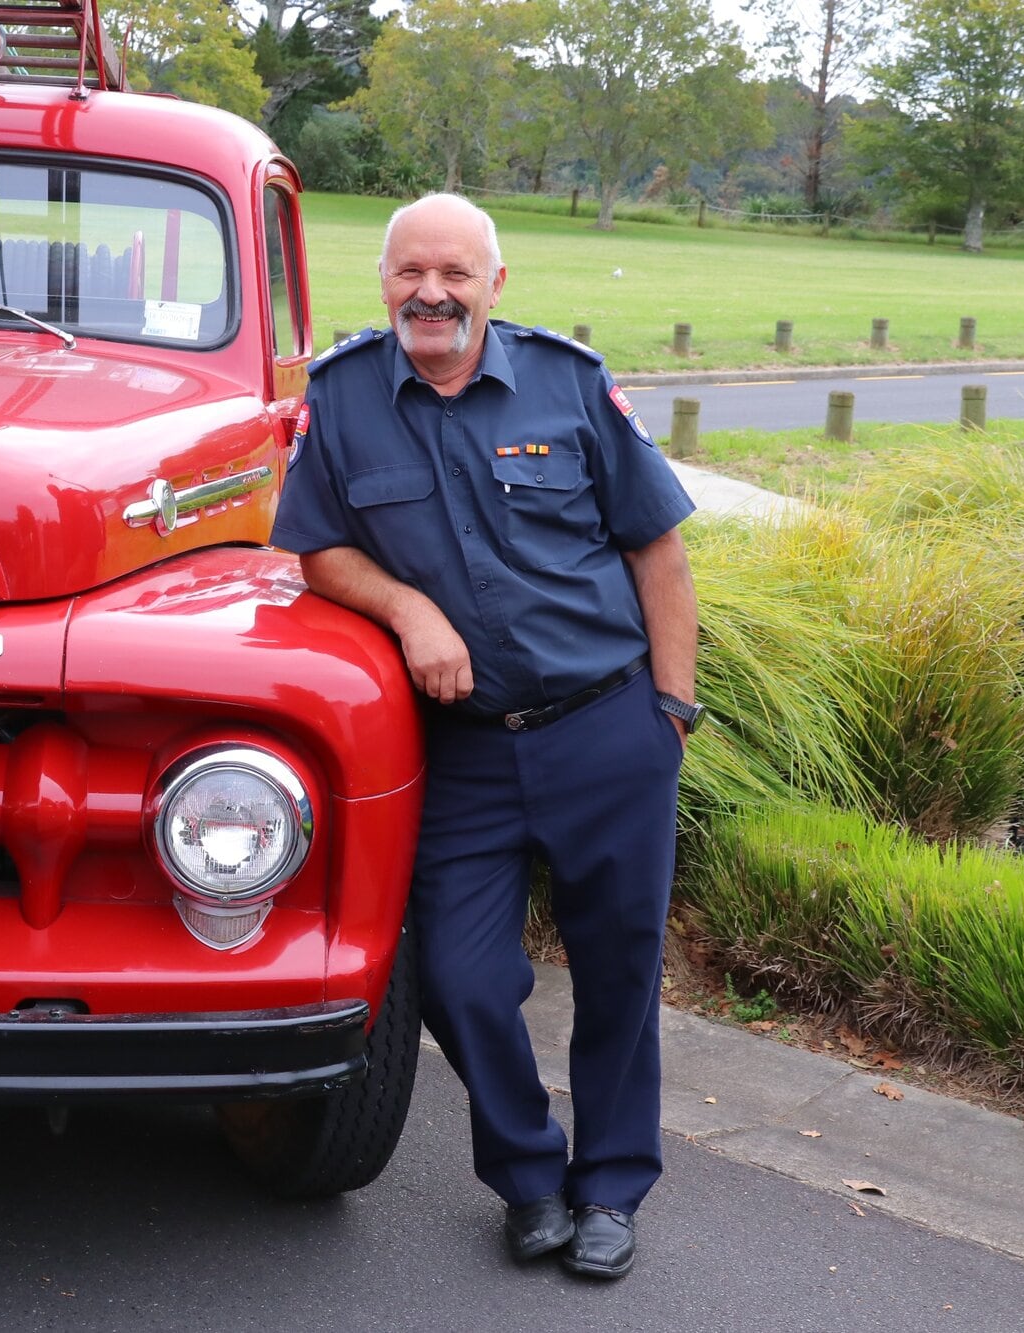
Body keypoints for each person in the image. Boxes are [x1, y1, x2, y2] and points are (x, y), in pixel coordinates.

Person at [270, 193, 701, 1280]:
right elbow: (314, 549)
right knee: (457, 980)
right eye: (411, 271)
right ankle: (524, 1175)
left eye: (455, 274)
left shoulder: (565, 381)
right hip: (461, 751)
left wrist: (671, 712)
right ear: (383, 281)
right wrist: (411, 611)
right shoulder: (342, 395)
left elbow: (657, 550)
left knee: (616, 972)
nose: (432, 293)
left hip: (608, 726)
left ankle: (607, 1187)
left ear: (493, 287)